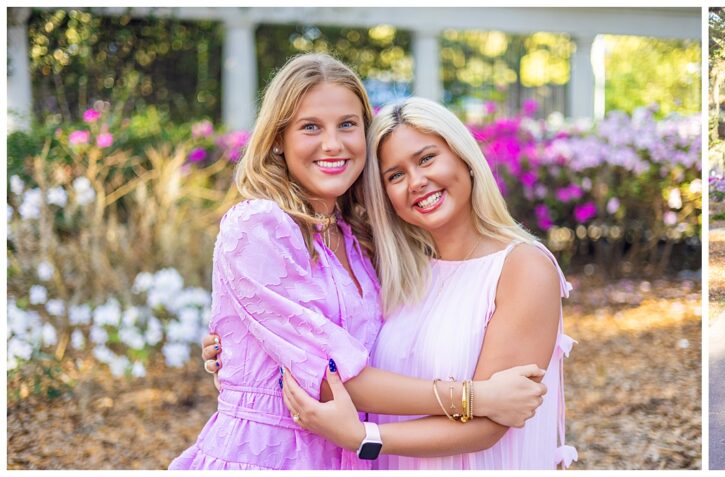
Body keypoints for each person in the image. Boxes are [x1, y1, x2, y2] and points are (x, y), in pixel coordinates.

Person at [171, 54, 546, 470]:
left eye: (347, 125)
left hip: (350, 457)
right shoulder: (258, 225)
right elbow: (335, 372)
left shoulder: (358, 238)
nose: (333, 143)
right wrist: (475, 396)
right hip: (270, 456)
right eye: (311, 126)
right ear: (278, 138)